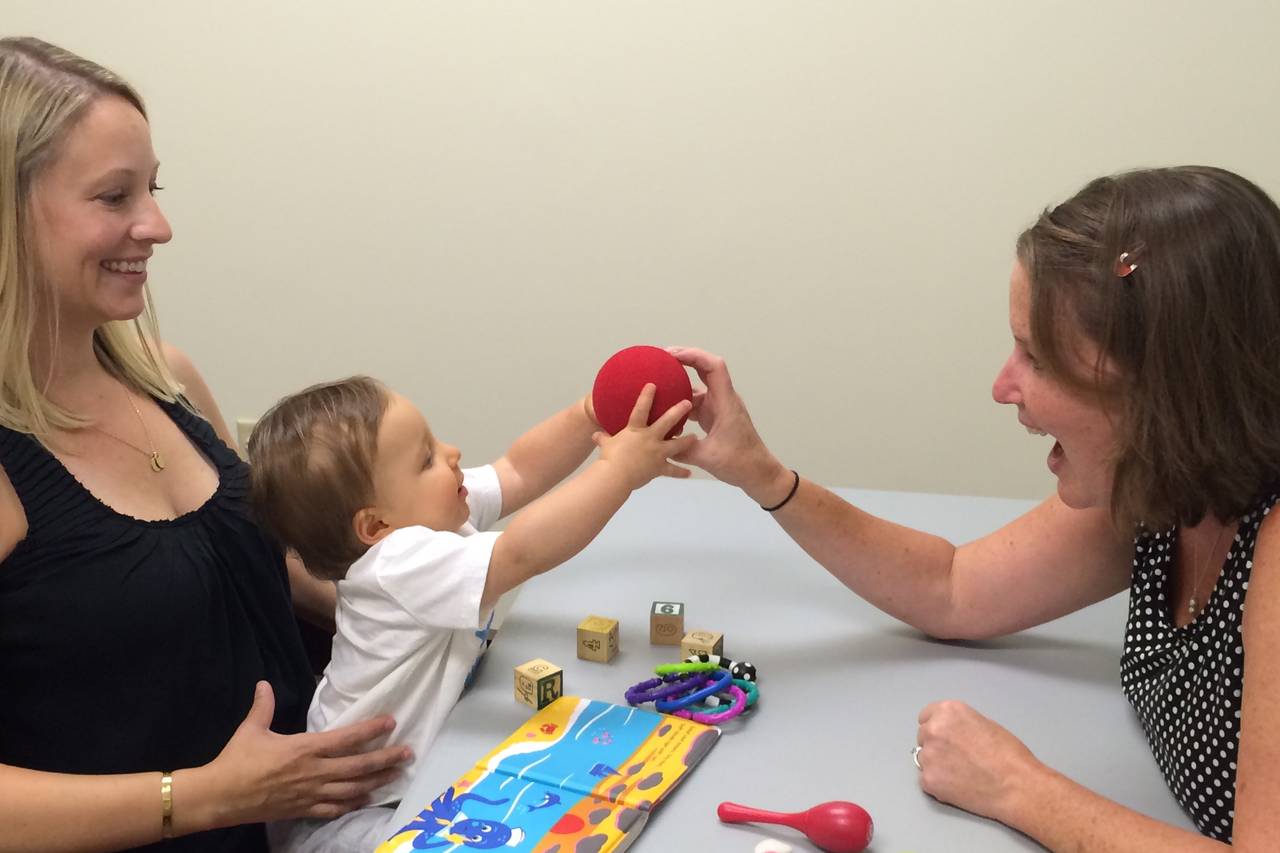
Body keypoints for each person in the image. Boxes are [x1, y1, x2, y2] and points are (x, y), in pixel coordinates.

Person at [669, 166, 1280, 850]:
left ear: (1167, 392)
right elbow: (953, 589)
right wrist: (761, 474)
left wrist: (1016, 786)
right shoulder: (1162, 490)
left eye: (1038, 359)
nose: (1002, 386)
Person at [0, 37, 412, 852]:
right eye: (114, 196)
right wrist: (200, 797)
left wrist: (414, 604)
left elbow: (258, 567)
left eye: (151, 189)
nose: (157, 226)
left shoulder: (169, 377)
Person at [245, 376, 692, 851]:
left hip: (408, 783)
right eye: (427, 459)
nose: (452, 453)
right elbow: (522, 553)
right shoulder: (396, 565)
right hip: (354, 815)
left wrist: (587, 415)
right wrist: (618, 472)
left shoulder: (430, 514)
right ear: (376, 525)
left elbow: (516, 470)